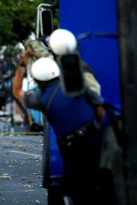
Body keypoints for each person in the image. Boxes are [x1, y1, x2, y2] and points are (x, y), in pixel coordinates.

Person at [13, 56, 115, 205]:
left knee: (72, 187)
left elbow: (17, 91)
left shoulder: (41, 99)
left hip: (71, 147)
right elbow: (100, 109)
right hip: (94, 138)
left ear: (39, 81)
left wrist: (22, 64)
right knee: (97, 177)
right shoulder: (79, 87)